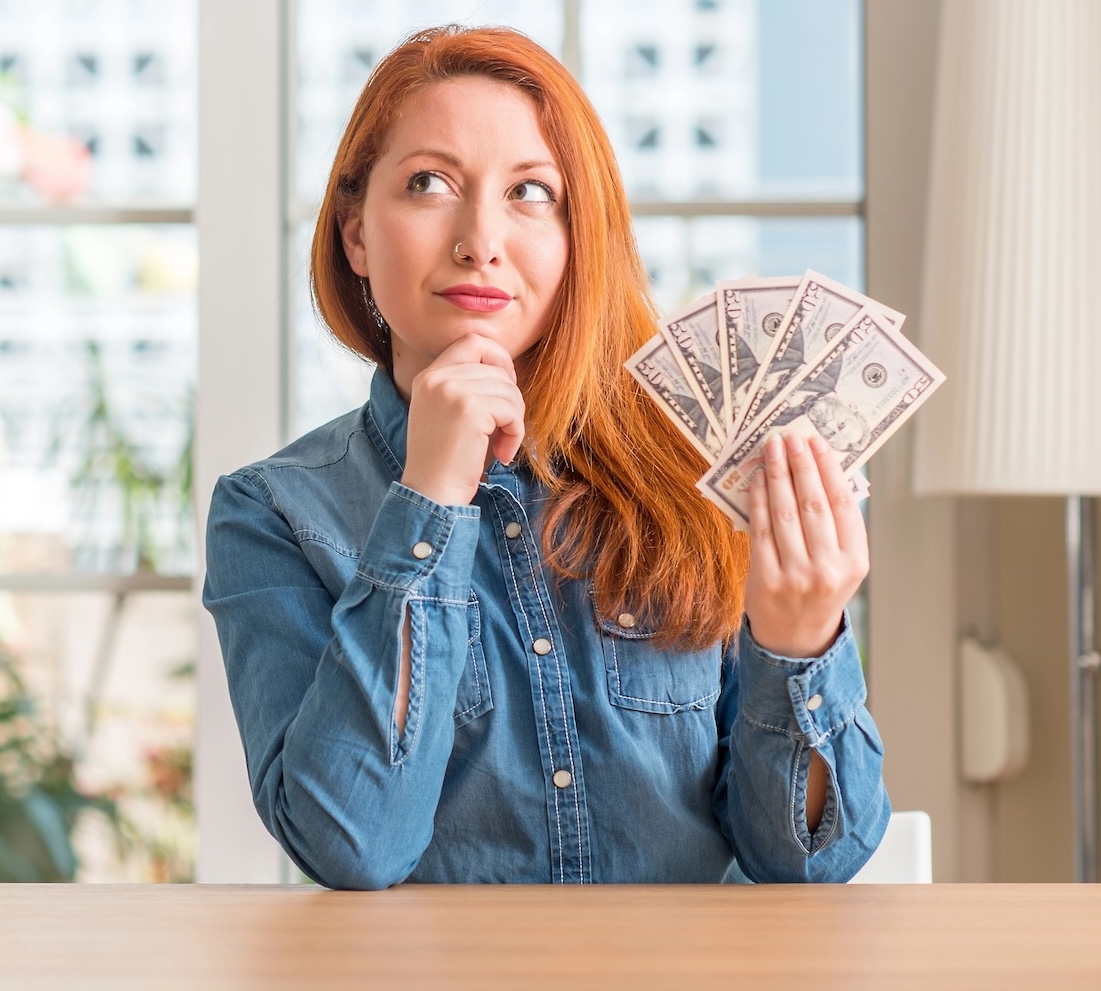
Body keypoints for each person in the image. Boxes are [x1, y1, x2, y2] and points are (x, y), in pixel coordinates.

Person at [201, 26, 889, 888]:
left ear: (576, 238)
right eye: (429, 184)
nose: (479, 239)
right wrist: (431, 500)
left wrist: (800, 640)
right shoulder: (270, 514)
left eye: (531, 192)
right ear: (356, 238)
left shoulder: (694, 475)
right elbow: (354, 844)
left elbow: (808, 859)